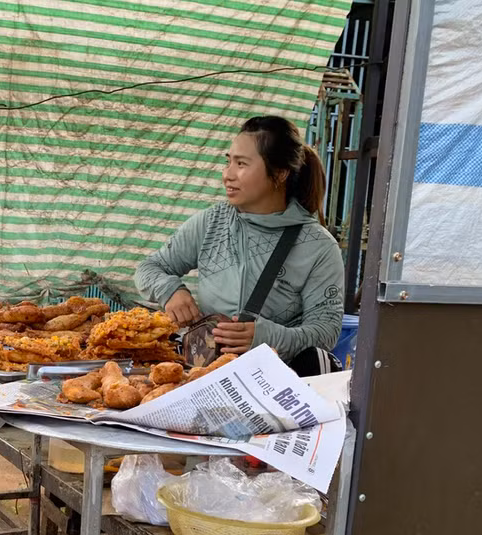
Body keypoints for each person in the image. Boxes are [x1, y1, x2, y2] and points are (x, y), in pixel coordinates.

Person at [135, 116, 344, 375]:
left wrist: (267, 336)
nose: (227, 175)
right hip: (205, 375)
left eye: (241, 164)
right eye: (228, 161)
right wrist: (170, 291)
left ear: (279, 174)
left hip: (277, 380)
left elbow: (326, 330)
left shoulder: (318, 246)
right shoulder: (211, 223)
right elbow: (149, 268)